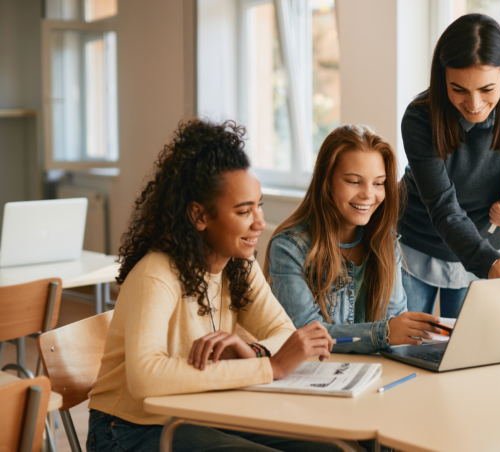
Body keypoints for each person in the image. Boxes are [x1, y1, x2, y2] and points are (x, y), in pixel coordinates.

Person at [87, 120, 337, 452]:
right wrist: (269, 366)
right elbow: (144, 377)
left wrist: (250, 353)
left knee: (329, 446)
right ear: (199, 216)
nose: (260, 221)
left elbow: (283, 334)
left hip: (197, 413)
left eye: (258, 205)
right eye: (243, 210)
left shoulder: (239, 266)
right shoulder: (157, 274)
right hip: (127, 429)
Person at [400, 13, 500, 317]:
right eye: (458, 89)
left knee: (470, 354)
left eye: (487, 89)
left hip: (488, 245)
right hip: (419, 243)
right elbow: (443, 207)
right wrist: (492, 263)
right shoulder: (419, 118)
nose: (473, 104)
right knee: (407, 348)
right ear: (442, 77)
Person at [265, 125, 440, 354]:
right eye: (354, 182)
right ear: (326, 181)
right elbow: (308, 333)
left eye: (378, 183)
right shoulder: (289, 247)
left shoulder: (384, 240)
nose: (368, 194)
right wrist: (383, 333)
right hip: (320, 376)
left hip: (375, 374)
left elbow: (396, 321)